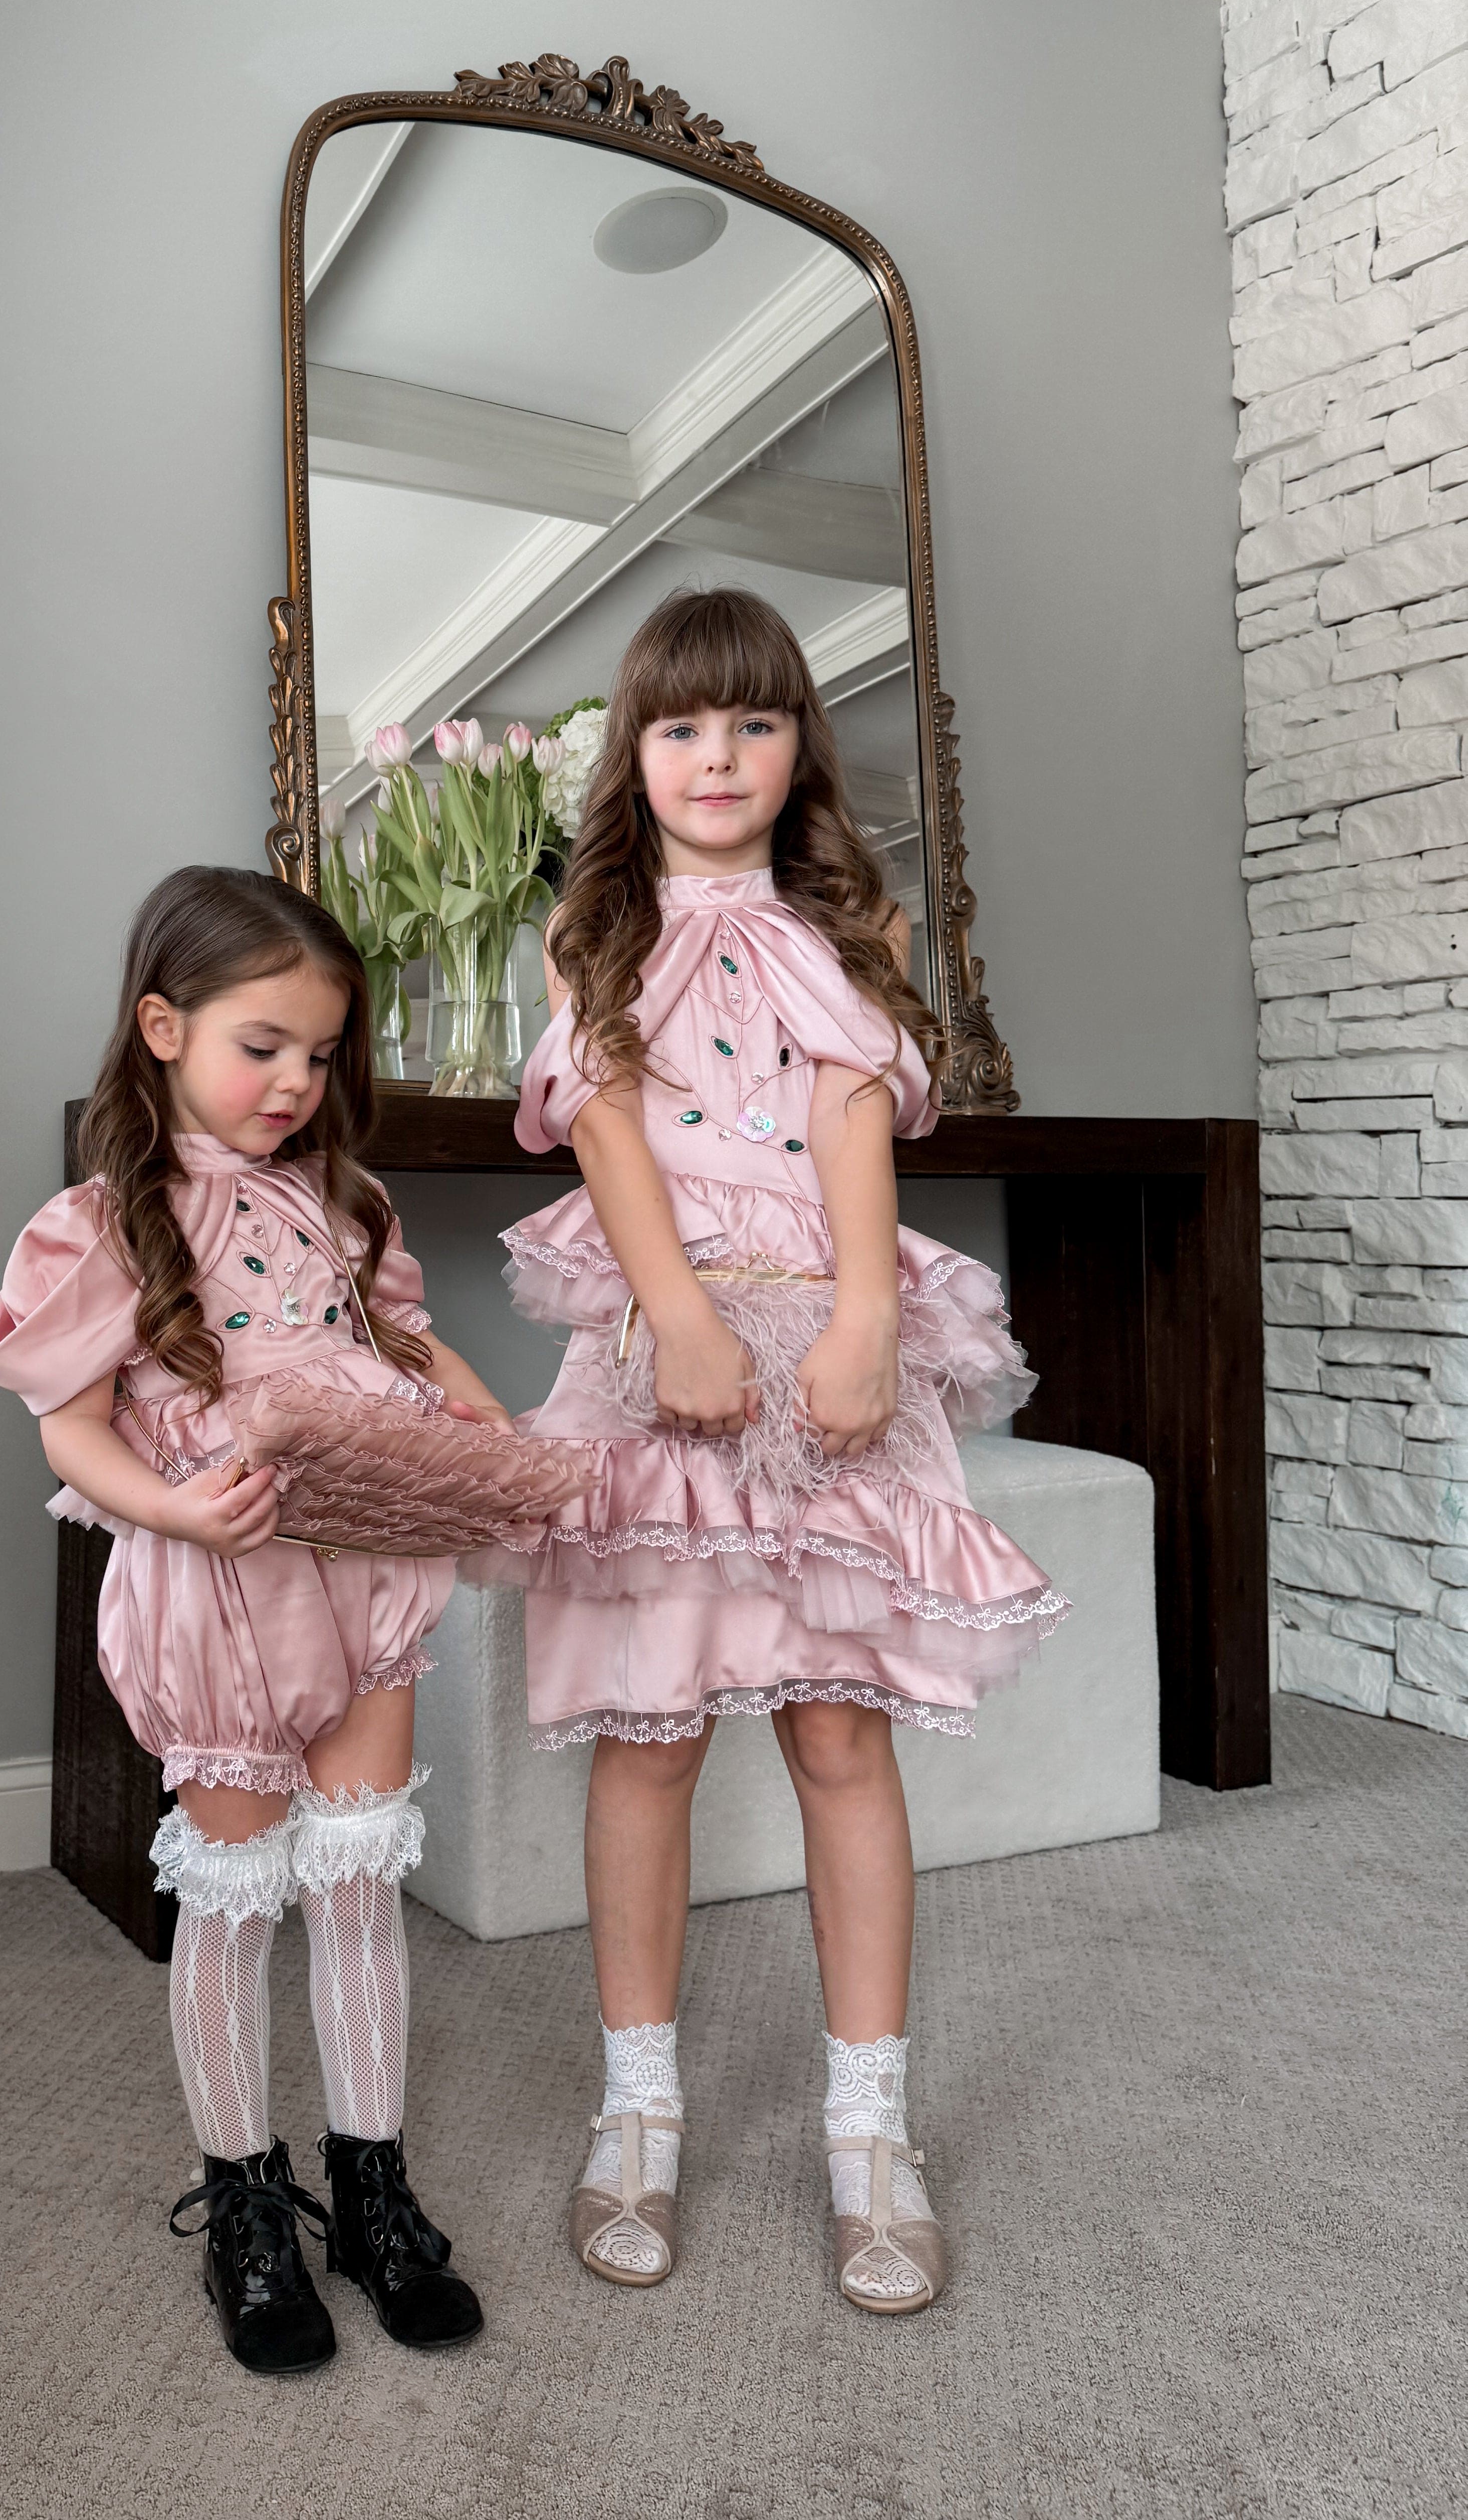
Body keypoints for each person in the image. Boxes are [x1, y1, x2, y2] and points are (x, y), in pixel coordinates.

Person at [489, 589, 1068, 2312]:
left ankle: (868, 2131)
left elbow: (845, 1115)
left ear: (797, 743)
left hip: (824, 1338)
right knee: (648, 1740)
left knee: (839, 1735)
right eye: (679, 726)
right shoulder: (591, 930)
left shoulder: (850, 924)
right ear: (635, 754)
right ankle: (638, 2113)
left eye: (751, 722)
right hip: (662, 1352)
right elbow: (599, 1115)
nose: (717, 756)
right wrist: (669, 1317)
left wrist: (866, 1327)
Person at [0, 865, 508, 2375]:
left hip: (367, 1576)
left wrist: (479, 1426)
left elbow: (396, 1343)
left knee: (354, 1885)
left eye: (321, 1053)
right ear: (161, 1026)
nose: (294, 1081)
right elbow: (71, 1430)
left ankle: (373, 2184)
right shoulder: (102, 1223)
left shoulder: (345, 1202)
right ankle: (246, 2200)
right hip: (221, 1594)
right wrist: (177, 1506)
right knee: (236, 1891)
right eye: (260, 1044)